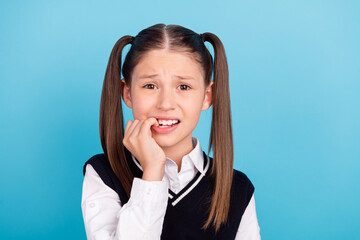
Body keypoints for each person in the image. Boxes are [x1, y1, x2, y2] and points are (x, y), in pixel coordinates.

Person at [81, 23, 261, 240]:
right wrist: (152, 171)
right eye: (150, 86)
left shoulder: (238, 189)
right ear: (127, 93)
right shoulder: (103, 174)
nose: (166, 104)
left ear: (207, 96)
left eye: (183, 87)